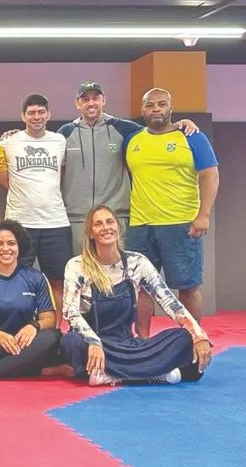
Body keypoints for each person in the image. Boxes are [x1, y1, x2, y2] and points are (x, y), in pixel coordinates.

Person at [61, 205, 212, 386]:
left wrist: (198, 335)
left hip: (128, 346)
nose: (105, 227)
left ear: (118, 227)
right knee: (71, 341)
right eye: (98, 224)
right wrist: (94, 342)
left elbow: (170, 302)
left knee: (184, 339)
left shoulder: (137, 262)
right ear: (91, 233)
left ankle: (112, 375)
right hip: (95, 345)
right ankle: (155, 373)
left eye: (110, 222)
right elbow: (70, 313)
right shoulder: (76, 265)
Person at [57, 81, 198, 253]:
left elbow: (155, 132)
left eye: (95, 98)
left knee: (118, 273)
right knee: (81, 272)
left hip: (116, 218)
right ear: (78, 104)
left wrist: (180, 124)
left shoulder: (123, 128)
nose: (91, 103)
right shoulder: (65, 133)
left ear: (104, 100)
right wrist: (14, 135)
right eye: (85, 99)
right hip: (77, 220)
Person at [124, 88, 219, 337]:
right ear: (142, 110)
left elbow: (210, 175)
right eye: (150, 105)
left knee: (187, 287)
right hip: (141, 225)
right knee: (142, 287)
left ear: (170, 107)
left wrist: (204, 215)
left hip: (181, 224)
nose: (156, 109)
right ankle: (142, 341)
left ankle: (193, 339)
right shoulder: (132, 140)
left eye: (161, 104)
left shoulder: (192, 136)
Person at [0, 93, 70, 324]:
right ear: (23, 116)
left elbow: (64, 174)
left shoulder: (60, 141)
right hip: (20, 223)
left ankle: (56, 332)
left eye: (41, 112)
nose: (36, 116)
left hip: (55, 222)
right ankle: (18, 328)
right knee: (17, 278)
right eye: (31, 112)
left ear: (48, 114)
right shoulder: (9, 142)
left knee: (58, 281)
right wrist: (22, 190)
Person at [0, 220, 62, 380]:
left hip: (26, 342)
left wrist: (34, 326)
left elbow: (49, 319)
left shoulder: (35, 277)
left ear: (19, 246)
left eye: (11, 243)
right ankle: (31, 366)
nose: (5, 249)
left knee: (53, 337)